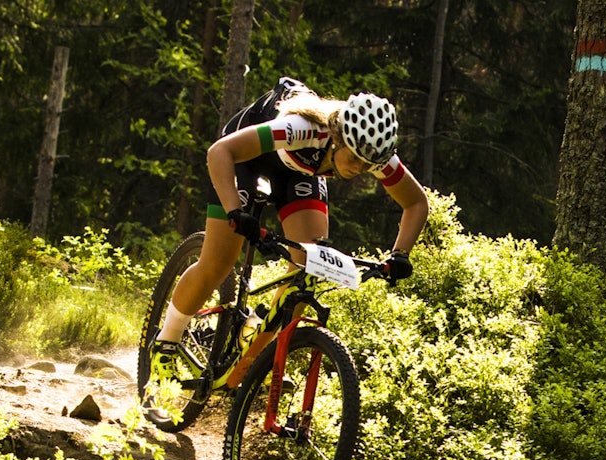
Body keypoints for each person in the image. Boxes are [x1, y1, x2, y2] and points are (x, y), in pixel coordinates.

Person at [149, 77, 428, 381]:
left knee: (307, 267)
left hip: (299, 171)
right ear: (337, 137)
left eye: (367, 165)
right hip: (246, 157)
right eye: (355, 160)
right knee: (218, 263)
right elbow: (220, 153)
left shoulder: (372, 151)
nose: (360, 170)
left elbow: (415, 203)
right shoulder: (303, 128)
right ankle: (166, 340)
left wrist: (400, 254)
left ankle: (259, 359)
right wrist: (235, 211)